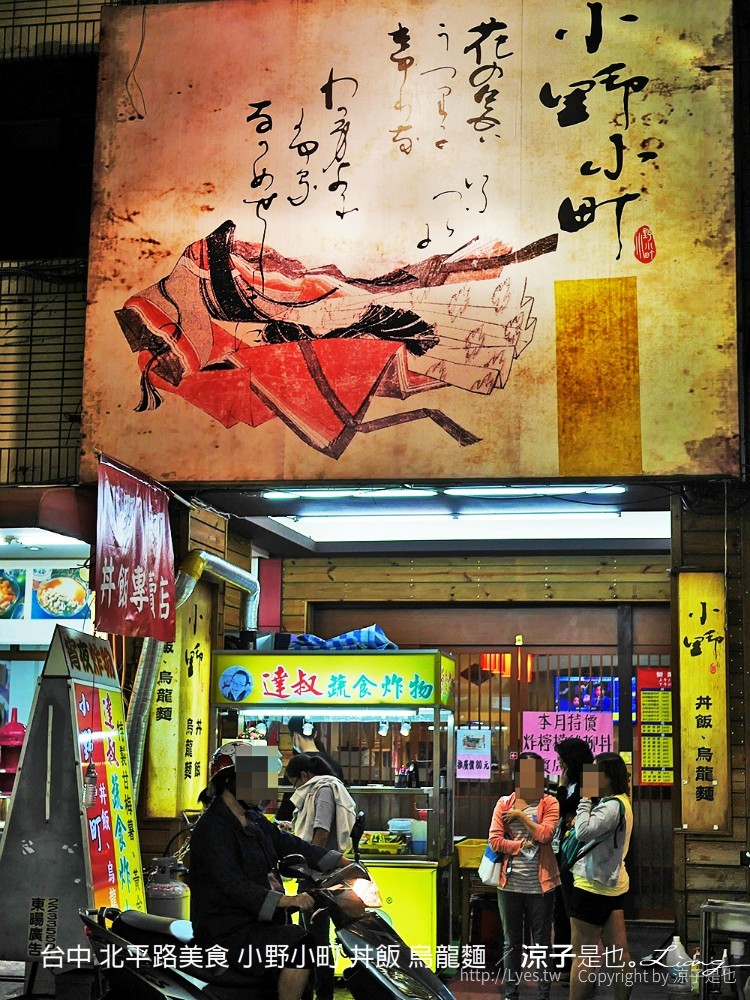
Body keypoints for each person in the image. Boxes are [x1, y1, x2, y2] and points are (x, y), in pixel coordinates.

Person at [189, 740, 344, 1000]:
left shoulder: (254, 820)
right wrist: (286, 900)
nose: (263, 785)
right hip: (227, 931)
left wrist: (341, 862)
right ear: (230, 781)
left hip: (256, 925)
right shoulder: (212, 829)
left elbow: (289, 844)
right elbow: (233, 885)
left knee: (304, 941)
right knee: (300, 946)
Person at [489, 752, 560, 1000]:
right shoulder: (504, 803)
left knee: (541, 943)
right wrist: (520, 847)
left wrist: (520, 818)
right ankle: (511, 993)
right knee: (512, 943)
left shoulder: (549, 803)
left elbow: (545, 835)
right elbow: (495, 841)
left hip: (541, 885)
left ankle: (543, 994)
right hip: (510, 884)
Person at [286, 753, 358, 1000]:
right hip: (315, 873)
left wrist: (307, 867)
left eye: (294, 782)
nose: (295, 788)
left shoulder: (323, 790)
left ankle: (323, 994)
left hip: (319, 876)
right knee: (310, 938)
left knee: (316, 940)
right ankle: (313, 991)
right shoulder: (320, 789)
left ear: (304, 776)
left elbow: (320, 834)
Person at [568, 752, 634, 1000]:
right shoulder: (622, 802)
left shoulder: (609, 806)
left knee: (583, 955)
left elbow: (583, 831)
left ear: (606, 777)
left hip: (591, 887)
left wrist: (585, 799)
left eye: (596, 772)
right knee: (620, 954)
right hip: (613, 887)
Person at [553, 737, 595, 983]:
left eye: (562, 759)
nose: (559, 764)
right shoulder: (572, 782)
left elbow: (565, 808)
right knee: (561, 911)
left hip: (580, 858)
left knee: (574, 914)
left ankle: (578, 968)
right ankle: (562, 965)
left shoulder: (590, 780)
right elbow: (560, 811)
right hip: (564, 854)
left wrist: (561, 788)